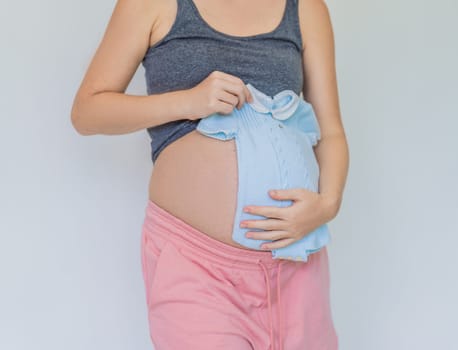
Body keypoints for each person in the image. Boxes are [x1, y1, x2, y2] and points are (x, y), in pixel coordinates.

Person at [71, 0, 349, 348]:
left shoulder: (306, 8)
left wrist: (328, 205)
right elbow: (87, 111)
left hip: (296, 258)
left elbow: (331, 130)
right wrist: (189, 102)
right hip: (196, 264)